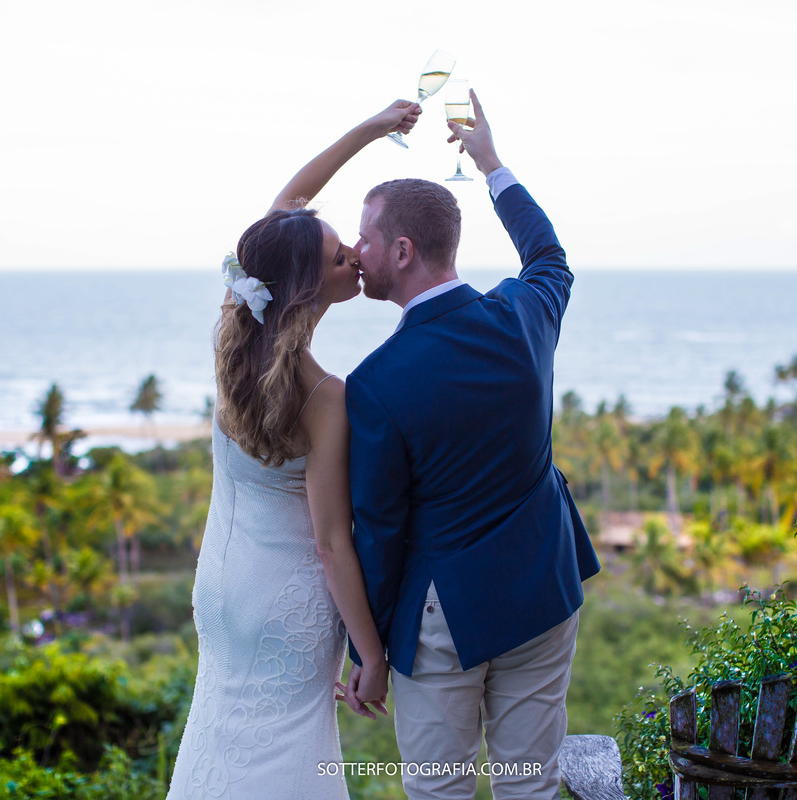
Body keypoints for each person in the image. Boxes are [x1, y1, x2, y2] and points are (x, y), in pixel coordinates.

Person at [342, 91, 601, 800]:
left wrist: (370, 649)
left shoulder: (374, 383)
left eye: (364, 237)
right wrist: (491, 163)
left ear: (402, 249)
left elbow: (380, 533)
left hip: (443, 616)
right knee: (532, 784)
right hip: (543, 588)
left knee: (439, 790)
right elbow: (548, 256)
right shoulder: (523, 315)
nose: (354, 251)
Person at [165, 98, 420, 800]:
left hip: (220, 589)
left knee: (221, 736)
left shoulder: (235, 326)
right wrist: (373, 657)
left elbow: (288, 210)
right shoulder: (322, 396)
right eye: (343, 256)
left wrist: (373, 129)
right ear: (311, 288)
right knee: (288, 752)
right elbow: (331, 544)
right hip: (287, 607)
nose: (355, 258)